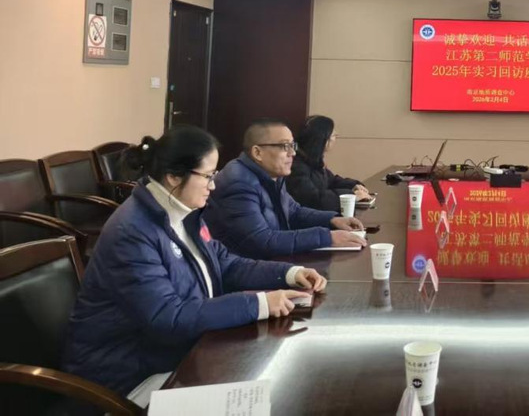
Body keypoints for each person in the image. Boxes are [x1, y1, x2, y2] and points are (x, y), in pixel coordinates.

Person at [62, 126, 325, 404]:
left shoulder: (184, 211)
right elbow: (169, 317)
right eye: (208, 176)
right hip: (126, 380)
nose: (213, 185)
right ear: (173, 176)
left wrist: (289, 273)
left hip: (179, 353)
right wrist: (260, 304)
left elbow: (225, 263)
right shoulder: (132, 232)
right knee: (261, 399)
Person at [203, 119, 366, 258]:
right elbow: (262, 241)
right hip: (245, 270)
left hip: (270, 262)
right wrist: (327, 237)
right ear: (258, 153)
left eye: (292, 145)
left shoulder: (271, 173)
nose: (292, 153)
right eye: (284, 146)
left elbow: (294, 211)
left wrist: (332, 220)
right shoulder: (239, 183)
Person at [287, 115, 372, 210]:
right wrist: (351, 196)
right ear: (322, 139)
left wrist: (353, 185)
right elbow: (313, 199)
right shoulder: (296, 165)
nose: (336, 136)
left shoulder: (313, 160)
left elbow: (331, 181)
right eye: (333, 135)